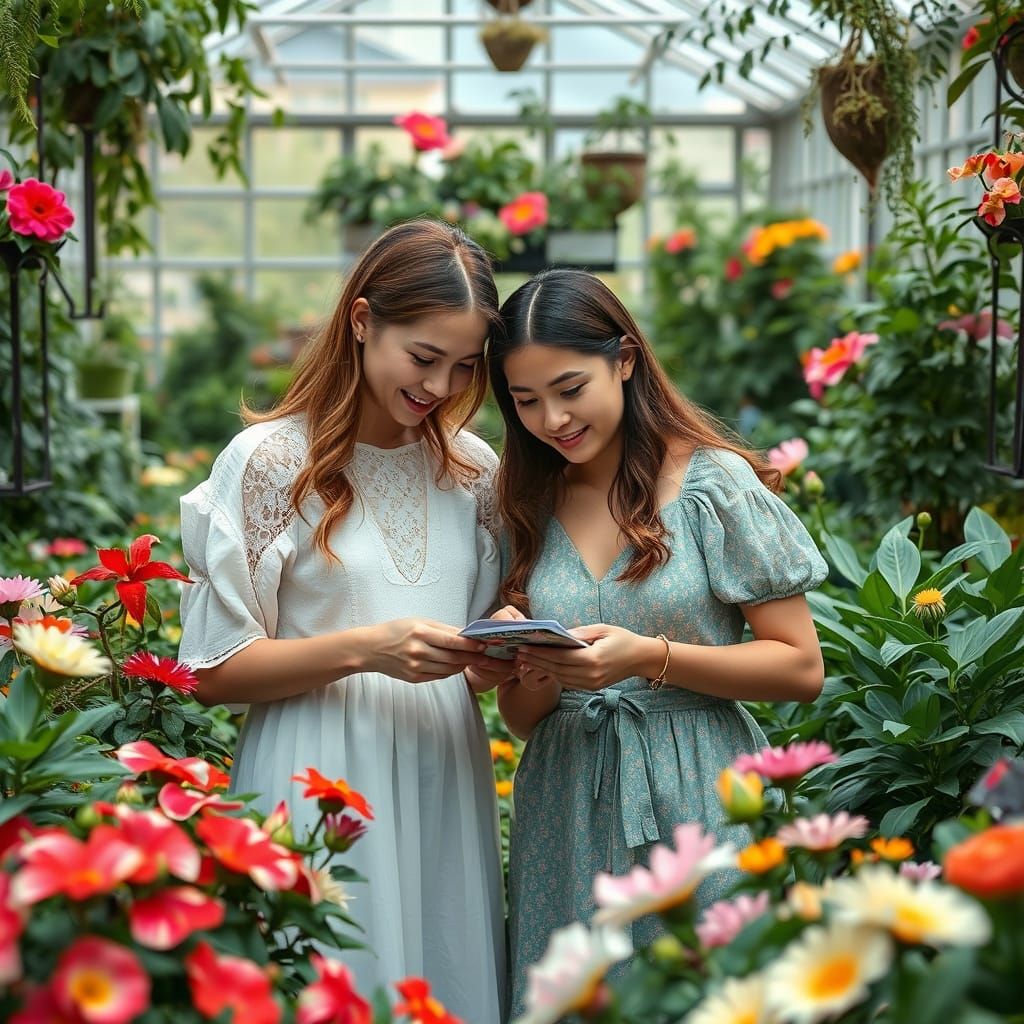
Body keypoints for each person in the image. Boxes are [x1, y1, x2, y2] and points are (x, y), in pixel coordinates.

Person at [177, 220, 508, 1022]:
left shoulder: (475, 470)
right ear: (362, 322)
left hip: (443, 775)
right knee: (331, 983)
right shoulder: (267, 463)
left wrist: (502, 646)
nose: (440, 385)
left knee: (443, 981)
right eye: (423, 357)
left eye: (464, 366)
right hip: (316, 768)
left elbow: (480, 631)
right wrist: (369, 648)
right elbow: (212, 674)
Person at [487, 269, 828, 1016]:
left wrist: (649, 656)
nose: (552, 418)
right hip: (565, 803)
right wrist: (534, 669)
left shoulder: (714, 486)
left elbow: (802, 667)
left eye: (571, 387)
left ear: (626, 359)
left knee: (715, 996)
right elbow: (523, 720)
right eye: (525, 400)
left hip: (700, 790)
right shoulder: (525, 501)